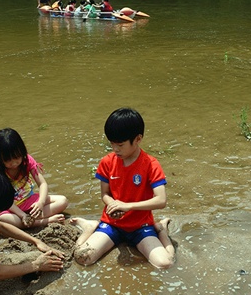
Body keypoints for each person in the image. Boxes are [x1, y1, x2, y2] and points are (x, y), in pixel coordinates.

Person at [70, 108, 175, 269]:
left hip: (141, 226)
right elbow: (105, 194)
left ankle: (161, 230)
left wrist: (127, 206)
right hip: (112, 224)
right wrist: (112, 204)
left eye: (120, 145)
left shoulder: (151, 164)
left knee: (165, 263)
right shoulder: (107, 162)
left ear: (138, 139)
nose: (115, 149)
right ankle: (90, 227)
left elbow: (161, 200)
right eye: (111, 144)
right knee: (82, 257)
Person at [0, 128, 69, 228]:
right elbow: (4, 201)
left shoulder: (27, 160)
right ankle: (44, 221)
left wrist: (41, 203)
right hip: (10, 208)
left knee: (63, 201)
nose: (14, 163)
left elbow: (42, 184)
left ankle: (31, 221)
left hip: (29, 200)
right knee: (3, 219)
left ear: (22, 151)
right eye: (8, 160)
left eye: (17, 157)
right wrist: (22, 215)